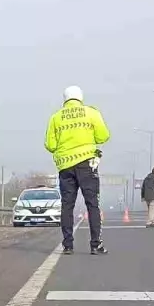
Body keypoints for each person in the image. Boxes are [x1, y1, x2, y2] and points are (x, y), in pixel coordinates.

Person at [44, 85, 111, 254]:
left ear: (65, 99)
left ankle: (68, 245)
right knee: (92, 204)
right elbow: (103, 136)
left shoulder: (56, 118)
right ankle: (96, 245)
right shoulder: (91, 112)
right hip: (87, 164)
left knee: (67, 206)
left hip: (65, 167)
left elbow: (50, 145)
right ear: (81, 97)